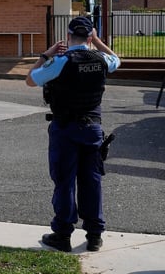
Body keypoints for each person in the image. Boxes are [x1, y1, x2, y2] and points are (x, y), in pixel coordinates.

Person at [26, 16, 120, 252]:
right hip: (92, 129)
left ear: (68, 36)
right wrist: (98, 42)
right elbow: (117, 59)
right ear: (89, 37)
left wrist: (46, 54)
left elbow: (30, 80)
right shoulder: (101, 59)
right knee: (92, 181)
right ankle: (95, 235)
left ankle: (63, 234)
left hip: (65, 128)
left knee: (64, 181)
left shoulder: (60, 61)